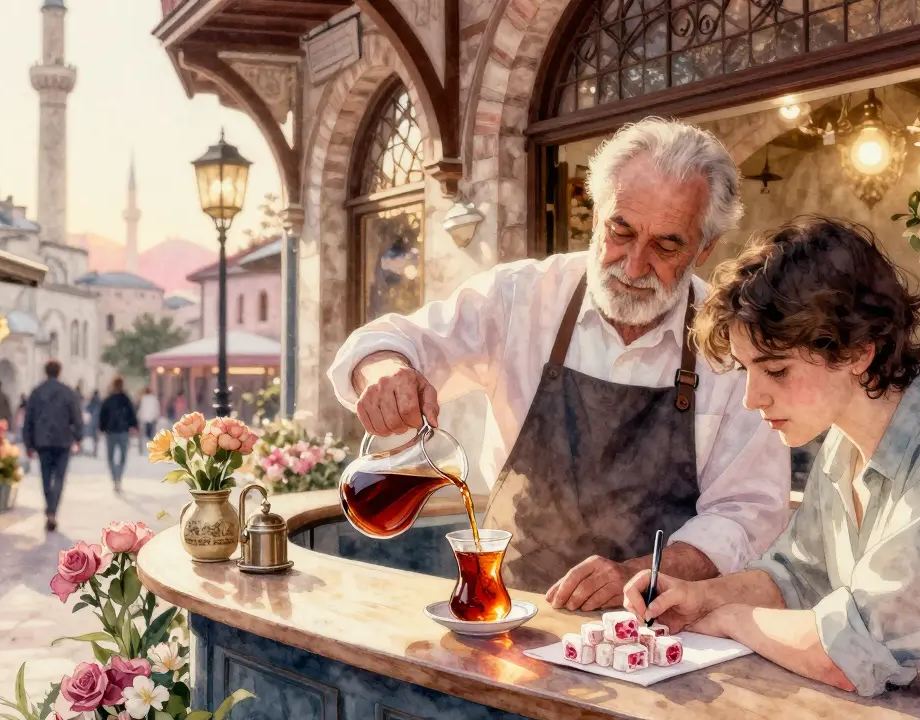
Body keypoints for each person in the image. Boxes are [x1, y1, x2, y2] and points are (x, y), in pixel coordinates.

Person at [328, 118, 791, 609]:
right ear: (596, 218)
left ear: (704, 248)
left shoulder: (732, 343)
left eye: (666, 245)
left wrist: (640, 573)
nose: (634, 266)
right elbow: (386, 341)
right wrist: (385, 373)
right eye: (621, 230)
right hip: (514, 614)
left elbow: (747, 513)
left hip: (661, 630)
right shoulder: (518, 299)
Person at [621, 217, 920, 696]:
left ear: (856, 353)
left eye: (776, 371)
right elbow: (798, 576)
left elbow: (854, 652)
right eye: (746, 370)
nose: (751, 398)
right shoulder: (841, 448)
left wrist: (731, 618)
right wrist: (698, 597)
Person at [22, 360, 83, 532]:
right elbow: (76, 416)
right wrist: (78, 437)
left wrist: (28, 442)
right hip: (63, 439)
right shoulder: (68, 392)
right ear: (59, 371)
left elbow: (29, 419)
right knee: (59, 478)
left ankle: (50, 509)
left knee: (46, 477)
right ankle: (52, 510)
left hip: (42, 441)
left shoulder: (37, 392)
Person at [98, 377, 138, 492]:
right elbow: (131, 413)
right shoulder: (126, 399)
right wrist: (134, 425)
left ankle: (115, 478)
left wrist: (101, 428)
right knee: (123, 456)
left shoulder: (108, 399)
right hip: (123, 431)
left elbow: (102, 415)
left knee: (110, 456)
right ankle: (119, 477)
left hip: (110, 431)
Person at [136, 386, 161, 454]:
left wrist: (139, 416)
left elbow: (141, 408)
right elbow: (156, 408)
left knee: (144, 434)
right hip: (152, 418)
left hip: (144, 418)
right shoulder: (154, 398)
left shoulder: (142, 398)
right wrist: (157, 416)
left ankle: (144, 449)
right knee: (151, 433)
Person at [85, 390, 103, 457]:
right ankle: (95, 449)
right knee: (96, 436)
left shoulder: (92, 400)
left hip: (93, 420)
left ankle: (94, 450)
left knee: (93, 435)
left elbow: (87, 408)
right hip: (98, 420)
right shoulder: (100, 401)